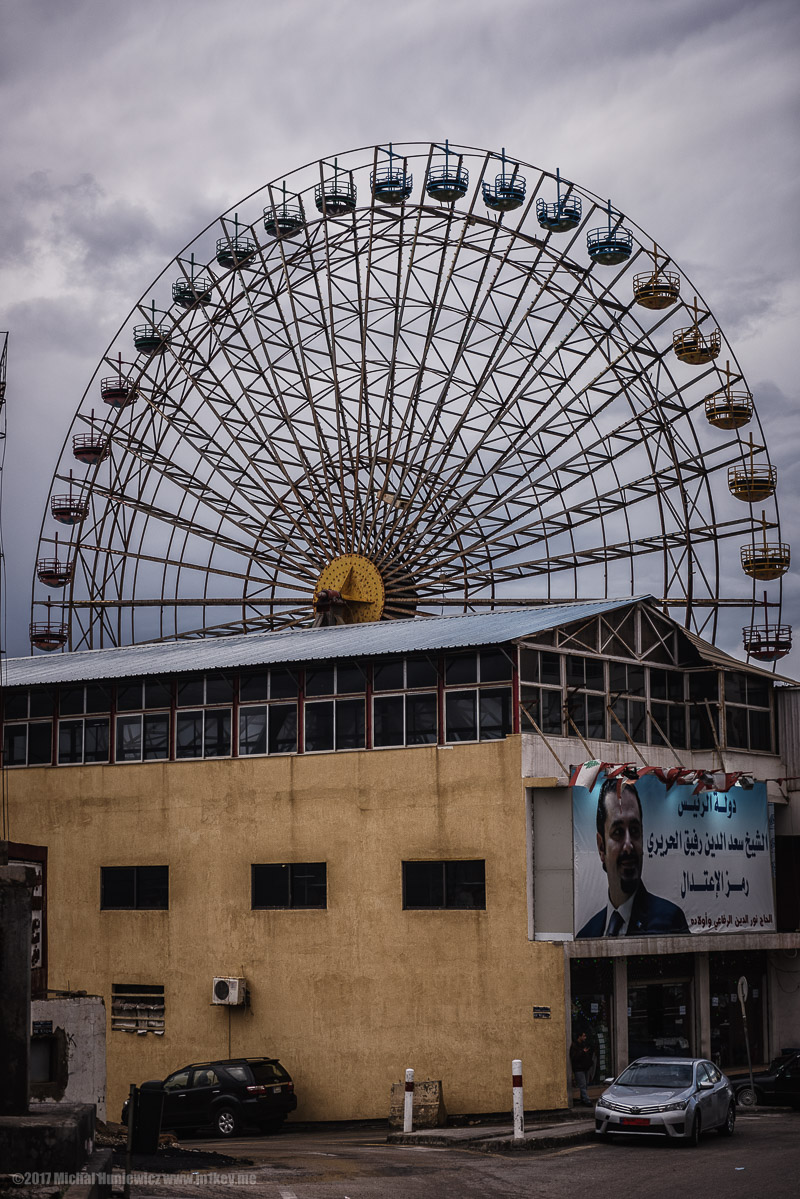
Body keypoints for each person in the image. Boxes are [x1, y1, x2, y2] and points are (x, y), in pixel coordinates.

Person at [577, 777, 689, 938]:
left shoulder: (670, 922)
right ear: (601, 848)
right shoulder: (587, 935)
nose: (628, 845)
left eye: (635, 830)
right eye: (618, 832)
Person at [570, 1030, 594, 1107]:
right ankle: (587, 1100)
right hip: (579, 1068)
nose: (585, 1037)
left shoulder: (584, 1044)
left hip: (585, 1067)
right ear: (579, 1036)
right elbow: (574, 1057)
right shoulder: (574, 1045)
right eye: (583, 1036)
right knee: (583, 1085)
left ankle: (583, 1099)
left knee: (585, 1084)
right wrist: (583, 1052)